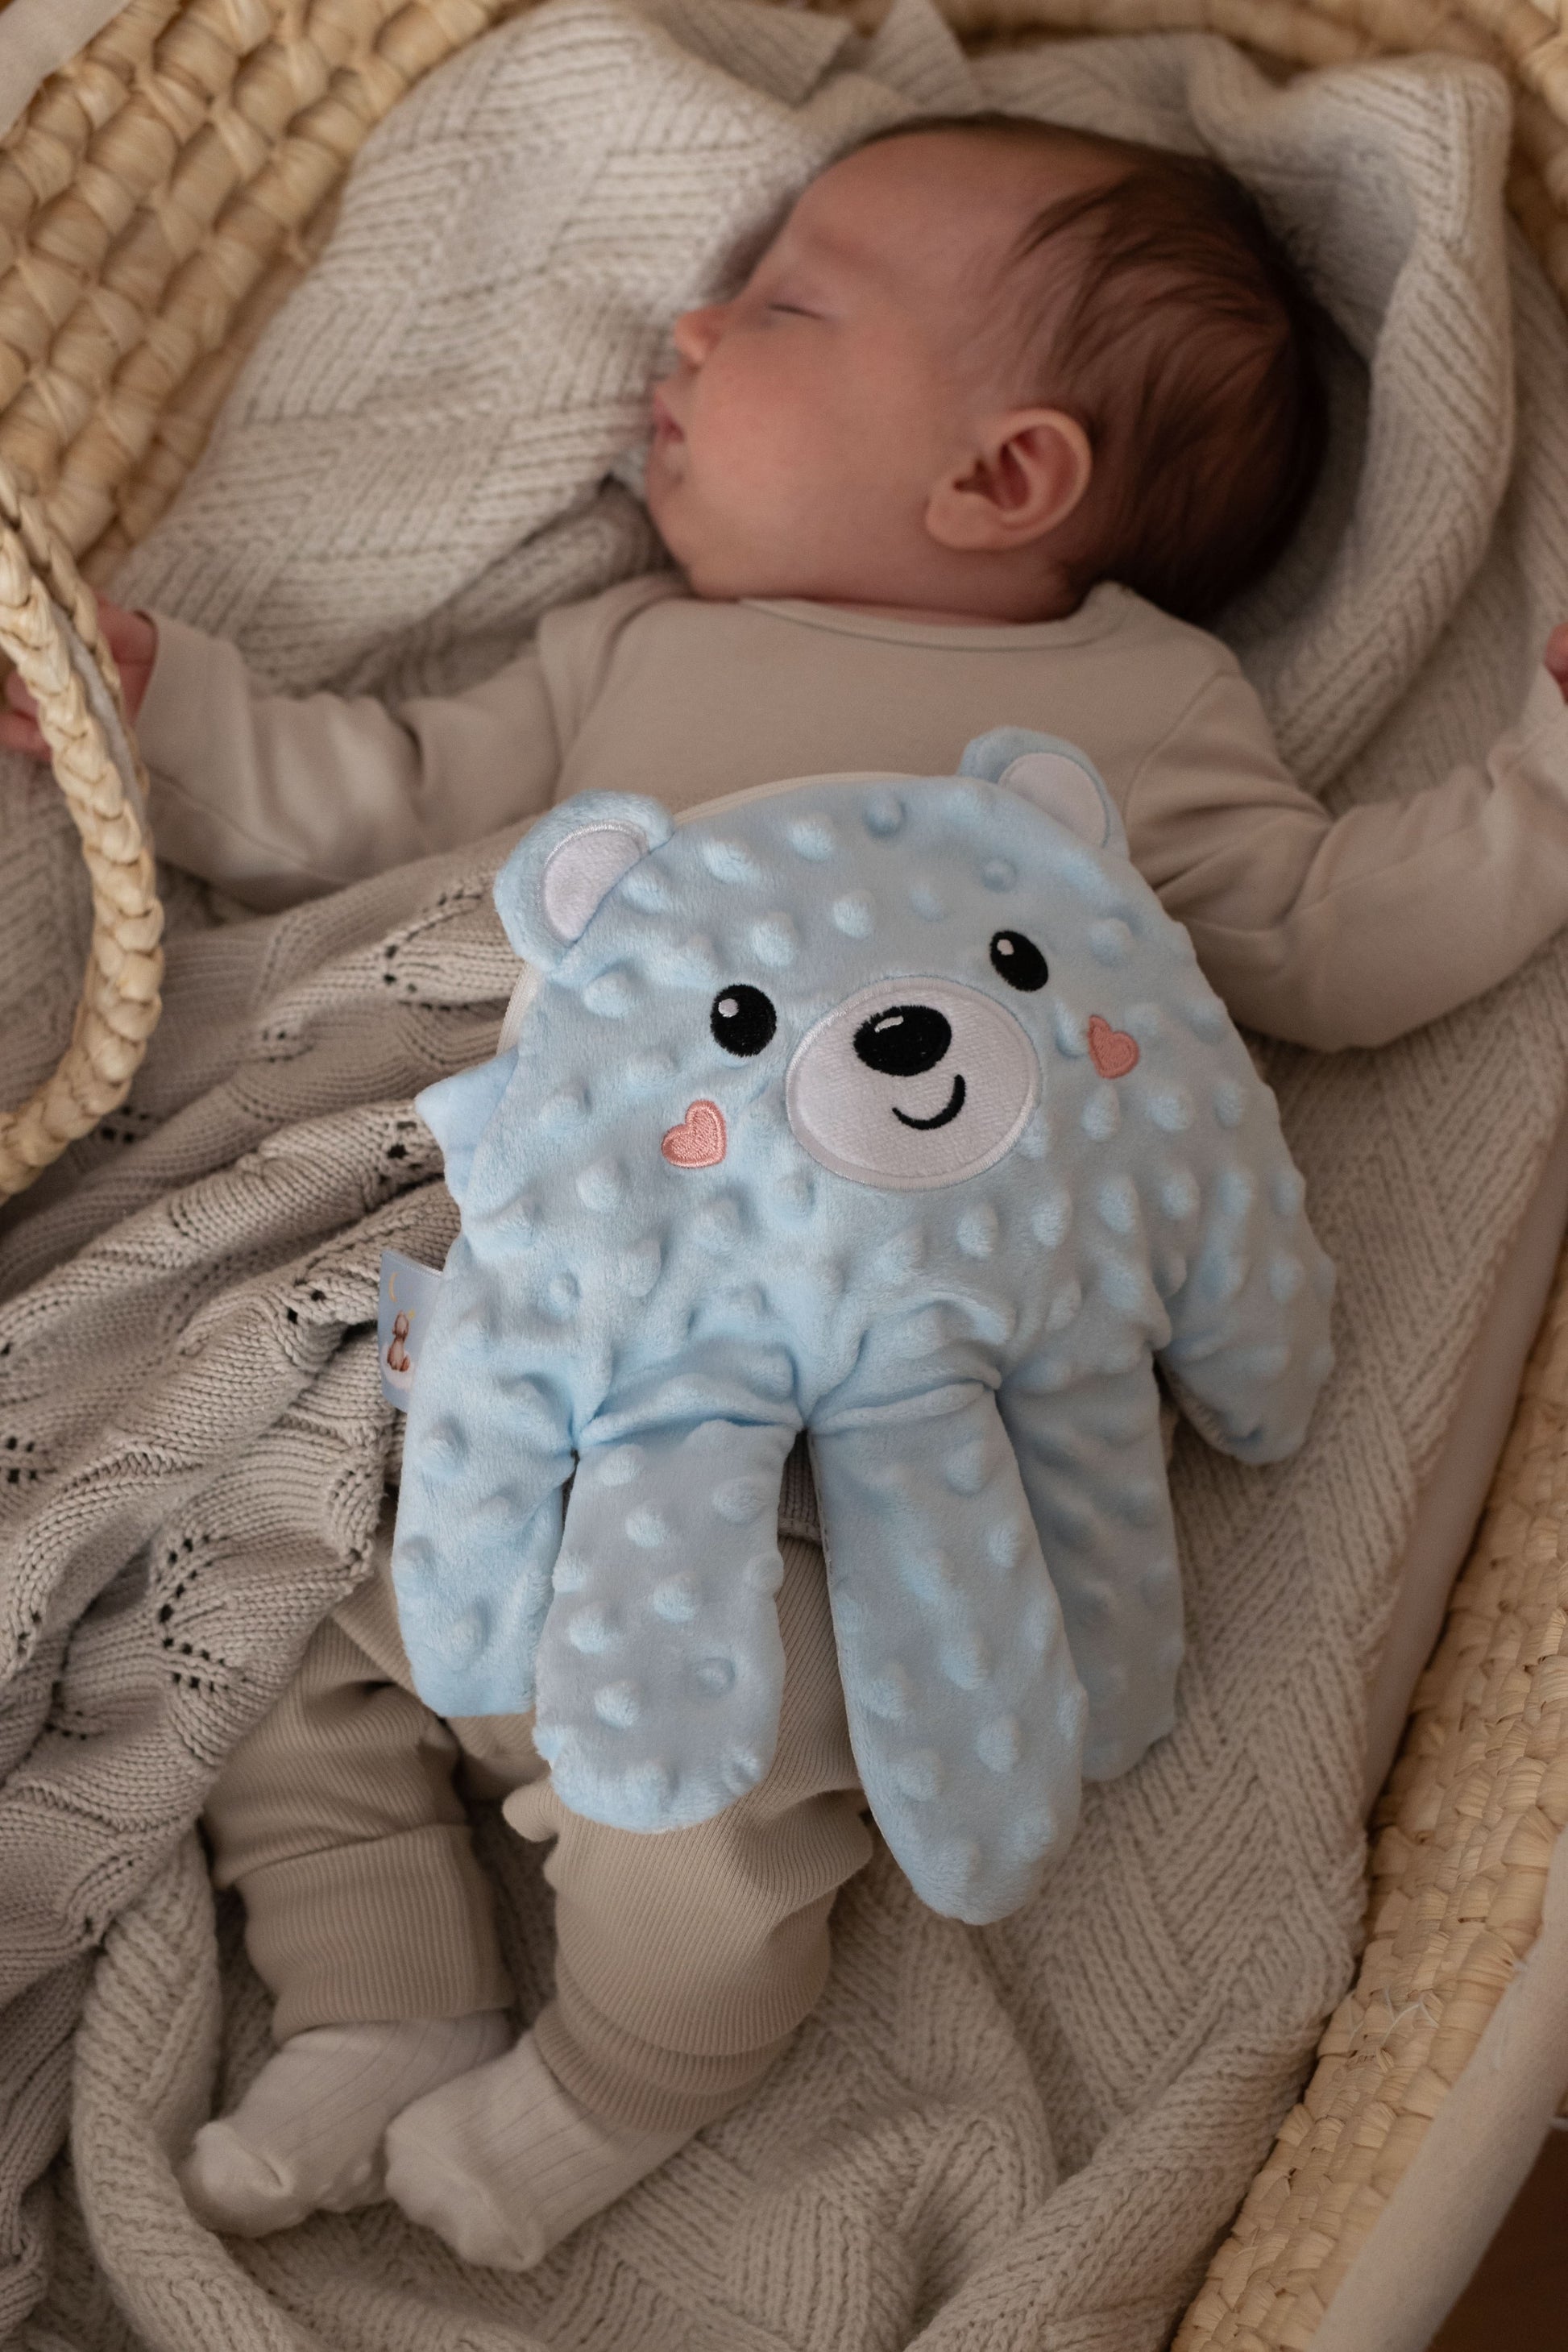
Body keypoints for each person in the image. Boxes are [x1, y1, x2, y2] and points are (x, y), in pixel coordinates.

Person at [6, 114, 1567, 2270]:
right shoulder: (629, 652)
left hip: (834, 1469)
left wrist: (1542, 791)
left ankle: (615, 2082)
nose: (688, 325)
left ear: (1002, 475)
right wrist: (167, 710)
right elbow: (389, 809)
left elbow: (1328, 937)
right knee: (262, 1617)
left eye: (783, 302)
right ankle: (379, 2001)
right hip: (520, 1381)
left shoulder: (1127, 717)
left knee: (716, 1803)